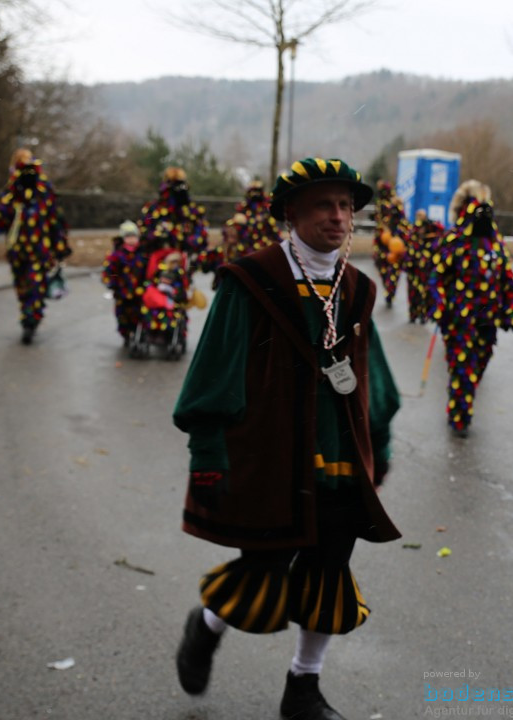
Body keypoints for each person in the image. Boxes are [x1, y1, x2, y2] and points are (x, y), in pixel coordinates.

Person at [172, 157, 401, 720]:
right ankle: (205, 625)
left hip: (341, 457)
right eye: (325, 204)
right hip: (272, 455)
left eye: (346, 206)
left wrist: (380, 443)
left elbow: (373, 378)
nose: (339, 216)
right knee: (264, 571)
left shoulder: (358, 289)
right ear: (291, 212)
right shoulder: (251, 280)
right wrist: (208, 455)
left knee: (329, 573)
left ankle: (303, 688)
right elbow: (212, 374)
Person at [429, 180, 513, 437]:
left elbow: (508, 280)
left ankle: (462, 397)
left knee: (479, 363)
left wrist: (512, 308)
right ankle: (460, 415)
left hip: (487, 319)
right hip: (459, 319)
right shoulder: (454, 242)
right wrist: (440, 306)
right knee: (462, 366)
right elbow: (436, 277)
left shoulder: (496, 245)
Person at [0, 148, 71, 345]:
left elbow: (54, 219)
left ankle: (31, 321)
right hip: (18, 250)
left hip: (39, 250)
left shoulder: (44, 188)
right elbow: (3, 217)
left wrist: (59, 246)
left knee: (36, 285)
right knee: (22, 287)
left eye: (29, 161)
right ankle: (27, 316)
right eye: (22, 161)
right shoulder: (13, 190)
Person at [138, 167, 208, 259]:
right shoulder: (154, 210)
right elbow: (145, 233)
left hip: (185, 256)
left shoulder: (192, 211)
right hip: (160, 256)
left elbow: (200, 235)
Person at [101, 221, 148, 347]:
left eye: (134, 236)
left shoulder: (143, 253)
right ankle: (126, 335)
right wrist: (113, 282)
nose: (131, 240)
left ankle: (139, 334)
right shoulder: (117, 255)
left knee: (140, 314)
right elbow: (110, 272)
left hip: (139, 292)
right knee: (122, 316)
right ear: (123, 238)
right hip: (122, 292)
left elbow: (147, 271)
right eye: (128, 237)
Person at [372, 181, 407, 308]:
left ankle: (390, 293)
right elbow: (378, 220)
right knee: (381, 265)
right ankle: (388, 287)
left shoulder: (397, 207)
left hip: (394, 242)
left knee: (394, 268)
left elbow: (404, 224)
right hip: (382, 242)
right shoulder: (380, 205)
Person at [406, 209, 443, 324]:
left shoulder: (429, 228)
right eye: (418, 215)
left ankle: (422, 314)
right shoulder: (413, 230)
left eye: (422, 216)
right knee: (413, 292)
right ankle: (413, 314)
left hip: (424, 267)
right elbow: (408, 245)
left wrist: (431, 223)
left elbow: (440, 230)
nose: (420, 217)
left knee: (423, 292)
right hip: (414, 267)